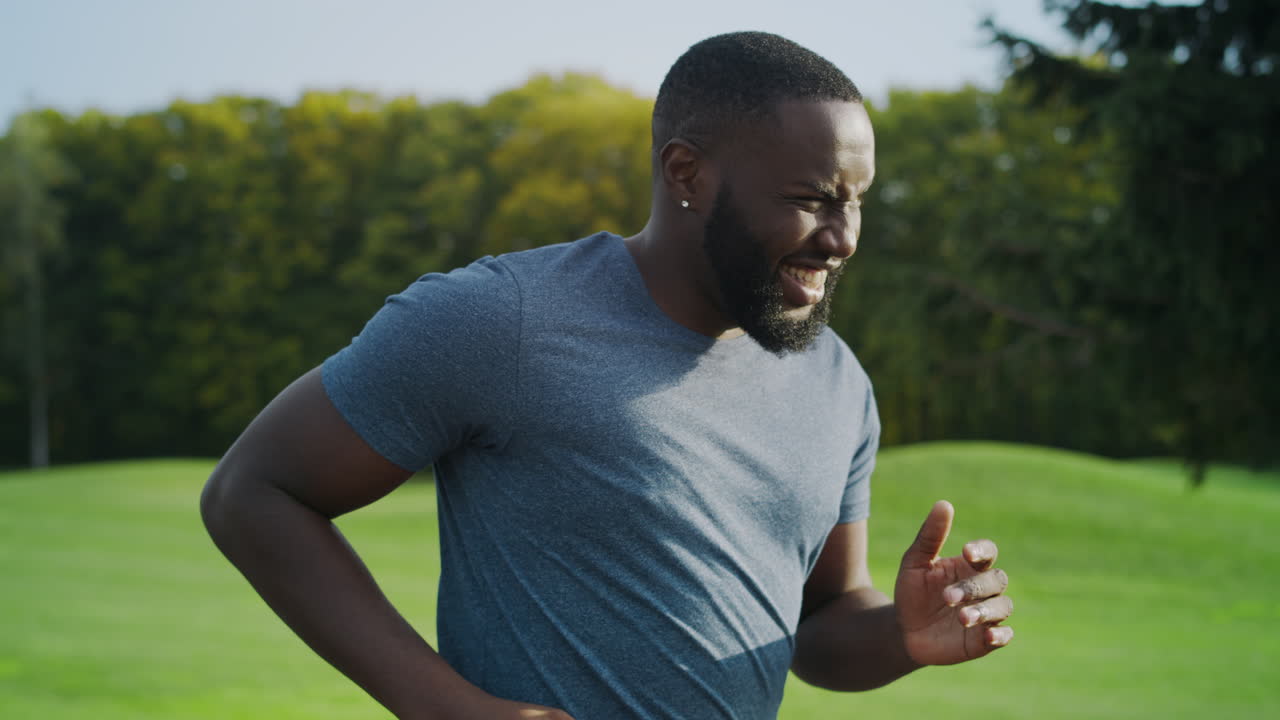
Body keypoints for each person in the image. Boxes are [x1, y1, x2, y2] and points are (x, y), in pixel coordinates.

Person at [201, 31, 1013, 720]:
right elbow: (253, 493)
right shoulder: (503, 319)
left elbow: (822, 622)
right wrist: (445, 705)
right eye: (811, 198)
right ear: (686, 173)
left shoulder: (835, 379)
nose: (842, 238)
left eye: (856, 200)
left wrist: (901, 634)